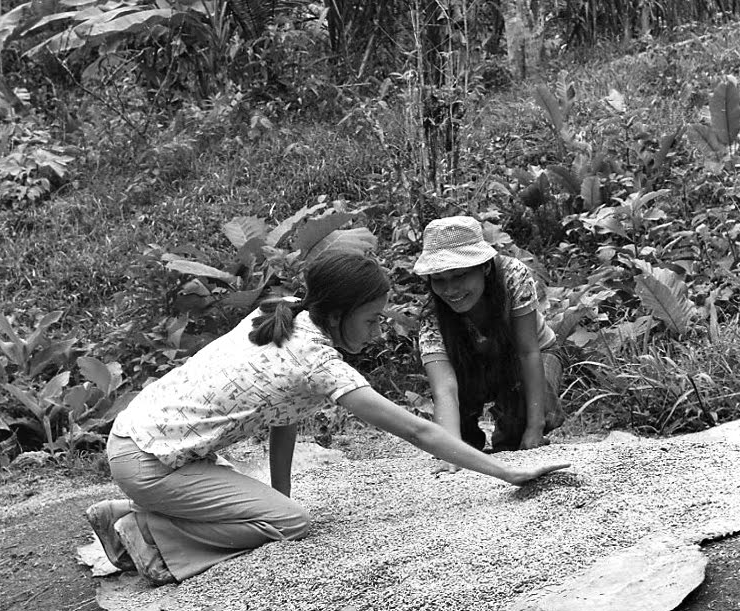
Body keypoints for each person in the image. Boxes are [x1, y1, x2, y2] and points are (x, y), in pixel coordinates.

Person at [86, 251, 570, 585]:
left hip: (144, 439)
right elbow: (416, 429)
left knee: (276, 512)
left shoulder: (281, 314)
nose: (378, 332)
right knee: (291, 525)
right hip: (150, 460)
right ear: (339, 314)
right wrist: (507, 471)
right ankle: (143, 531)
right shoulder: (317, 363)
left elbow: (283, 412)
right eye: (372, 319)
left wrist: (276, 496)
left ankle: (138, 514)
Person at [414, 216, 566, 466]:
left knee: (521, 432)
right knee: (457, 440)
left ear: (484, 267)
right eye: (439, 280)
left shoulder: (513, 276)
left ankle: (517, 428)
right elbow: (444, 389)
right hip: (472, 367)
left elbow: (528, 352)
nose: (450, 289)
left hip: (532, 354)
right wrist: (451, 451)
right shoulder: (432, 317)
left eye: (460, 275)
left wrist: (534, 428)